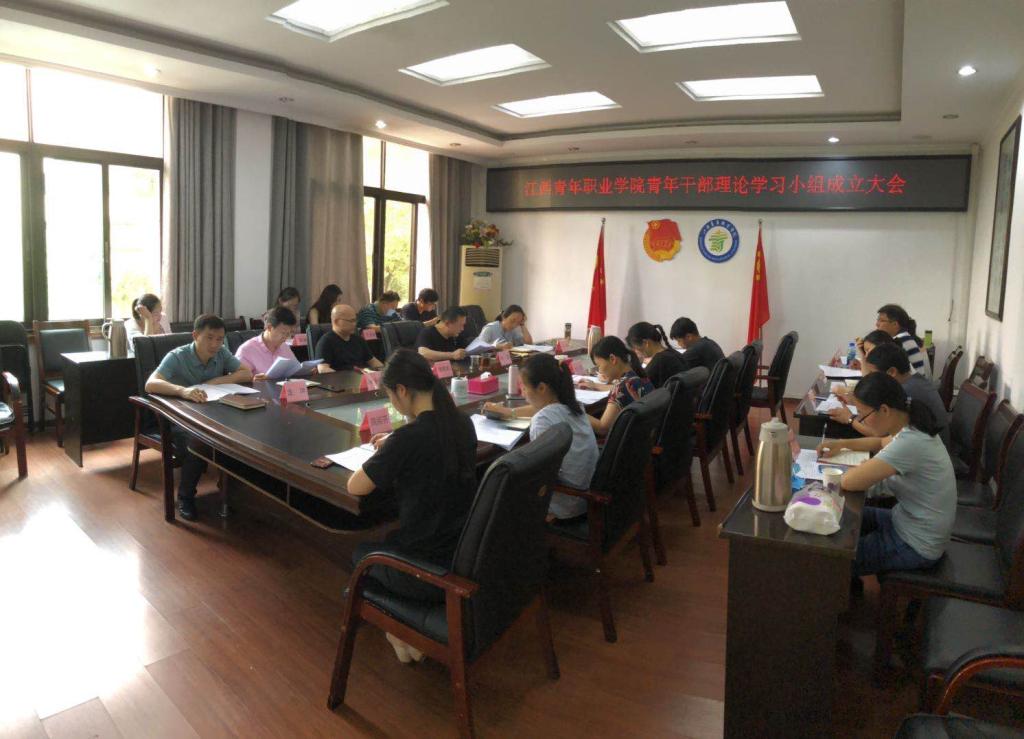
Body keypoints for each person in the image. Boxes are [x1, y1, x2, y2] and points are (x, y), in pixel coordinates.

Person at [346, 349, 478, 662]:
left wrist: (391, 448)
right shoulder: (463, 423)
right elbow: (428, 443)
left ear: (402, 390)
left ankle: (400, 629)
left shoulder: (407, 439)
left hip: (427, 570)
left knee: (360, 553)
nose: (392, 402)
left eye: (390, 395)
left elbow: (355, 486)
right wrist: (395, 443)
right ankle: (408, 633)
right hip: (465, 552)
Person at [817, 373, 954, 579]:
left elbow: (848, 481)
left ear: (884, 410)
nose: (861, 420)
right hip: (906, 521)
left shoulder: (911, 442)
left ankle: (842, 589)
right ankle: (851, 587)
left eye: (862, 415)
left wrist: (865, 469)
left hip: (915, 543)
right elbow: (880, 442)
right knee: (844, 514)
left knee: (833, 560)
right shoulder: (911, 425)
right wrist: (842, 444)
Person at [144, 314, 254, 521]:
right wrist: (183, 391)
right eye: (209, 338)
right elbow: (150, 384)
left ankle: (229, 488)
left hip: (213, 413)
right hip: (178, 417)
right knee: (198, 441)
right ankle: (185, 497)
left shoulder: (221, 352)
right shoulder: (177, 356)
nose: (215, 344)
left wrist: (214, 382)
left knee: (242, 434)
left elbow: (246, 373)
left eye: (219, 339)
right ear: (195, 335)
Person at [483, 353, 599, 522]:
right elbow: (542, 408)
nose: (522, 393)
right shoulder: (574, 406)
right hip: (587, 498)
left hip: (565, 505)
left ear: (542, 388)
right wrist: (508, 412)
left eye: (524, 387)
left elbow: (542, 475)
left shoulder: (542, 421)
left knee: (495, 491)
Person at [829, 343, 950, 447]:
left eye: (873, 373)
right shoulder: (912, 380)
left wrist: (850, 419)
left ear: (891, 372)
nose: (870, 377)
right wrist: (857, 401)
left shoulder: (906, 391)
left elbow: (879, 434)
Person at [579, 336, 653, 437]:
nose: (599, 371)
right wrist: (596, 385)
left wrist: (576, 410)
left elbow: (603, 428)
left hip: (626, 442)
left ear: (612, 359)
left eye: (599, 366)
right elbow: (618, 387)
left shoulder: (621, 389)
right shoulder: (638, 377)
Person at [235, 306, 300, 379]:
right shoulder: (246, 350)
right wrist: (253, 379)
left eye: (289, 333)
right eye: (283, 333)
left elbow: (295, 369)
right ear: (269, 327)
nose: (286, 337)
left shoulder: (284, 346)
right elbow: (238, 379)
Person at [316, 304, 383, 372]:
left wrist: (384, 372)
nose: (355, 324)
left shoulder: (359, 340)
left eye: (355, 320)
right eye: (351, 321)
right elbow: (322, 369)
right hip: (341, 377)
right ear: (337, 322)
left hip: (361, 376)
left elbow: (373, 361)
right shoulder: (326, 342)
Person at [626, 321, 686, 388]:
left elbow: (640, 386)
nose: (636, 352)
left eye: (635, 348)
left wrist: (637, 363)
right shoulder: (672, 353)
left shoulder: (659, 361)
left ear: (646, 343)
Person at [874, 303, 928, 376]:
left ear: (895, 324)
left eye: (881, 320)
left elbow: (881, 370)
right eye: (878, 320)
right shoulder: (905, 337)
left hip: (909, 382)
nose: (877, 324)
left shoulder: (898, 342)